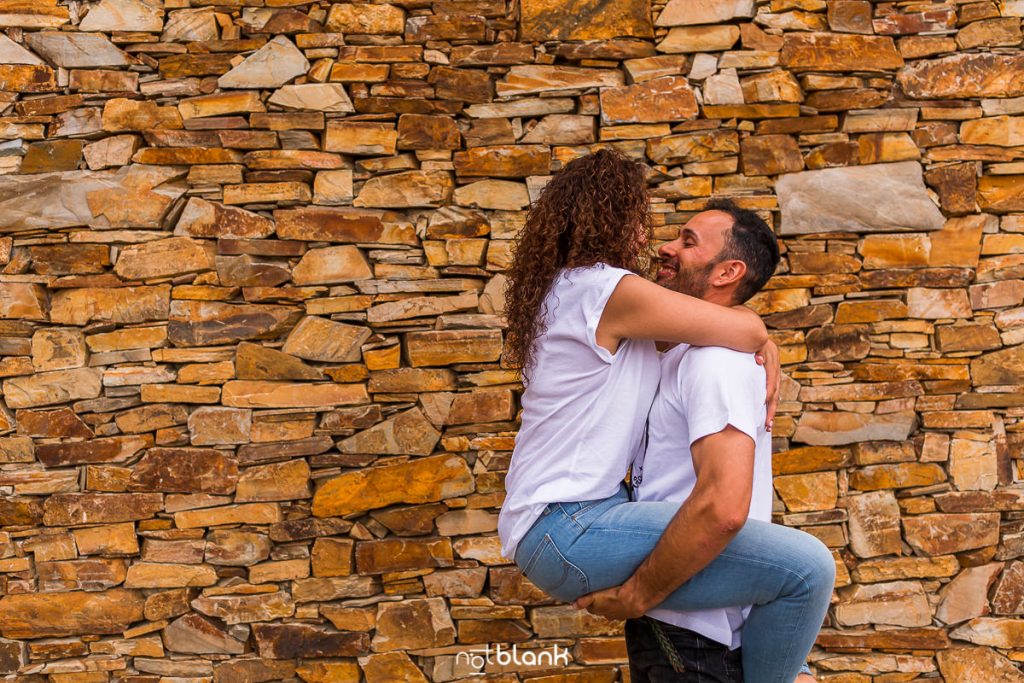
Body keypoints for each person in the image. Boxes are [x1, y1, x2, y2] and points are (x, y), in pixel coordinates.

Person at [497, 149, 834, 683]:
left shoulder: (589, 297)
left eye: (683, 238)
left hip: (572, 519)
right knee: (807, 571)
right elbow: (741, 330)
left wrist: (758, 344)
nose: (656, 241)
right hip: (569, 522)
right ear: (614, 216)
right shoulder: (605, 290)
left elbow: (720, 330)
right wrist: (760, 340)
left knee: (793, 574)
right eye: (645, 218)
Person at [621, 200, 818, 682]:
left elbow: (725, 505)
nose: (667, 247)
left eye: (688, 242)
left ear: (729, 271)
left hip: (693, 631)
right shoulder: (685, 350)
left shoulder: (716, 363)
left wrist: (640, 593)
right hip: (680, 612)